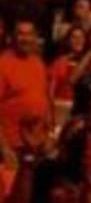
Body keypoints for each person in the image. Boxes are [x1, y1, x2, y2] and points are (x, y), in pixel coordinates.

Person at [0, 18, 51, 150]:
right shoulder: (3, 64)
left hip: (36, 141)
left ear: (35, 37)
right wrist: (5, 149)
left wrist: (48, 134)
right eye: (21, 34)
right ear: (13, 37)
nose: (26, 38)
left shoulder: (38, 63)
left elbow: (44, 98)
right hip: (11, 144)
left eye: (29, 34)